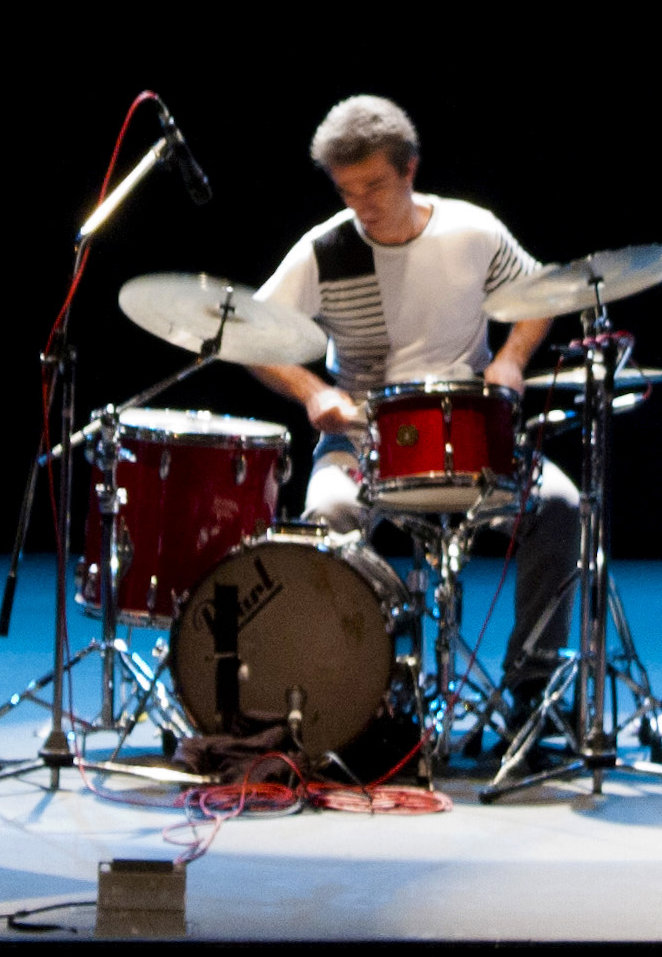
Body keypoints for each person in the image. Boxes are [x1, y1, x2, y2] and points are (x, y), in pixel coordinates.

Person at [245, 94, 587, 742]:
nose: (362, 203)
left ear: (409, 168)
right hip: (363, 440)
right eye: (348, 190)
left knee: (560, 504)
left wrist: (510, 359)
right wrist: (313, 390)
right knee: (325, 519)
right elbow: (255, 338)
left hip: (472, 433)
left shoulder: (472, 229)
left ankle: (531, 690)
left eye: (374, 184)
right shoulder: (325, 247)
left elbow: (539, 295)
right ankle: (350, 692)